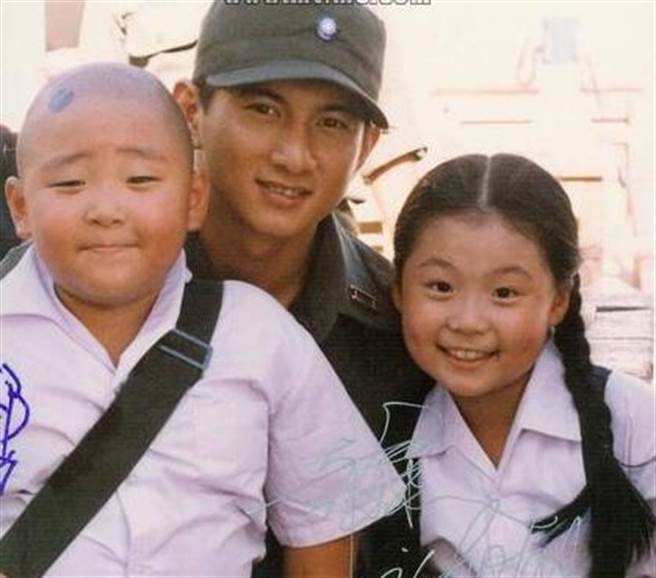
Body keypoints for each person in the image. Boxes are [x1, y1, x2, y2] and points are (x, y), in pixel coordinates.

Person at [0, 62, 406, 577]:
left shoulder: (260, 338)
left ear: (194, 198)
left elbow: (324, 525)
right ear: (20, 208)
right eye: (69, 183)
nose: (106, 209)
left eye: (140, 180)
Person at [173, 1, 432, 574]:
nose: (294, 155)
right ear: (191, 111)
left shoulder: (406, 333)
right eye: (263, 109)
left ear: (367, 147)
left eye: (332, 123)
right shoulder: (94, 296)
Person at [392, 153, 655, 577]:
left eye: (504, 293)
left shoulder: (631, 418)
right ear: (398, 289)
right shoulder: (393, 435)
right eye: (441, 286)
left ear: (558, 300)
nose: (468, 321)